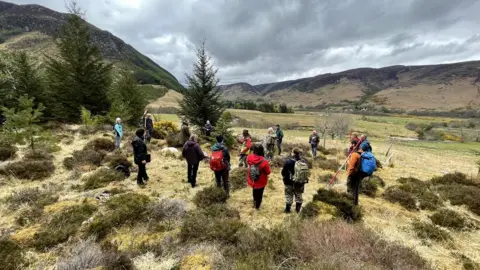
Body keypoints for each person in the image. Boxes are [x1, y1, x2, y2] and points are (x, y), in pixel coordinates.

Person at [281, 148, 309, 213]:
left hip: (289, 182)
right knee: (299, 195)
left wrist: (285, 178)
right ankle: (297, 210)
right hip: (300, 182)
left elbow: (283, 172)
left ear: (293, 153)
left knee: (289, 195)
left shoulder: (288, 162)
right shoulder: (304, 161)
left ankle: (287, 210)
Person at [247, 144, 271, 210]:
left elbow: (248, 164)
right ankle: (257, 206)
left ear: (254, 150)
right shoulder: (264, 161)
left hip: (252, 179)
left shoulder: (249, 157)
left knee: (254, 191)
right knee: (260, 194)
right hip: (261, 180)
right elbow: (268, 172)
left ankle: (254, 204)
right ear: (262, 151)